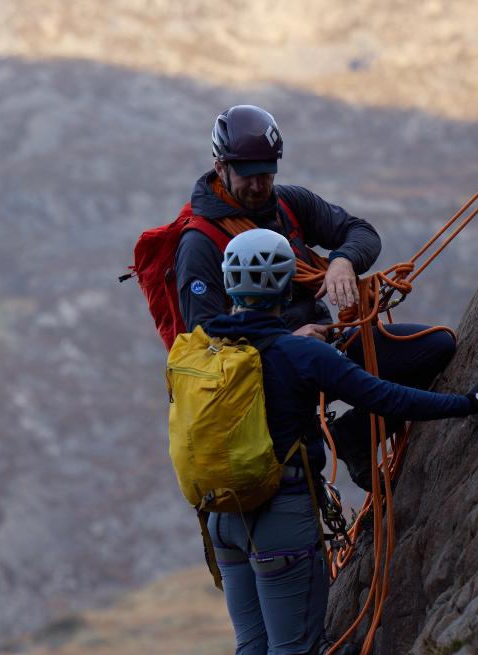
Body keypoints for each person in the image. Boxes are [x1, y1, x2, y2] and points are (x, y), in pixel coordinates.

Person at [206, 228, 478, 655]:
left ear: (231, 285)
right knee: (291, 653)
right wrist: (466, 404)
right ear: (287, 283)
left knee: (252, 647)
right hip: (281, 516)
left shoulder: (204, 344)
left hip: (223, 517)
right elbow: (385, 395)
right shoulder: (300, 351)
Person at [175, 104, 460, 489]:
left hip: (325, 344)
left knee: (435, 348)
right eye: (247, 176)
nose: (259, 186)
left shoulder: (290, 204)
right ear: (220, 166)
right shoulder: (200, 243)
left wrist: (343, 260)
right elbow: (205, 337)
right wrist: (286, 343)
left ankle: (354, 438)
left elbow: (360, 232)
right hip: (267, 372)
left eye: (266, 174)